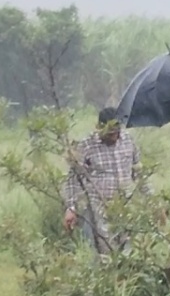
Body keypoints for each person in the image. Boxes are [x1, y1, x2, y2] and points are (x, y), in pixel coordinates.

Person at [61, 106, 152, 255]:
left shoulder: (128, 141)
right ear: (100, 128)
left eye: (116, 132)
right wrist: (70, 207)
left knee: (128, 247)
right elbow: (73, 178)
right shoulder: (87, 145)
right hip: (97, 206)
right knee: (103, 247)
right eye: (109, 134)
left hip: (125, 205)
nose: (114, 137)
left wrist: (150, 200)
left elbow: (139, 173)